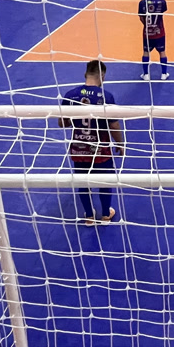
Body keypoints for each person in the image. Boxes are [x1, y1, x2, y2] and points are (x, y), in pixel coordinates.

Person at [60, 60, 121, 225]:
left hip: (79, 149)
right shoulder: (106, 97)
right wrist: (120, 144)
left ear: (85, 74)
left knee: (83, 182)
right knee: (105, 181)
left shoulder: (70, 95)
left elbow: (62, 123)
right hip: (100, 149)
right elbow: (113, 124)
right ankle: (106, 214)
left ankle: (88, 215)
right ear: (103, 76)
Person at [138, 0, 169, 80]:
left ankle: (146, 74)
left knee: (146, 52)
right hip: (159, 32)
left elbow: (141, 17)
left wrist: (148, 25)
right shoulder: (162, 2)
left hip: (147, 33)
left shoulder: (142, 3)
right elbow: (162, 11)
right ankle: (164, 74)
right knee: (162, 52)